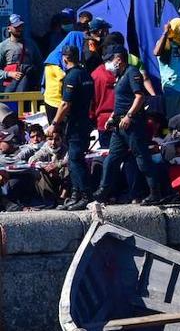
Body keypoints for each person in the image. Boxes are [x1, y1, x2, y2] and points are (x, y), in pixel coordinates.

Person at [93, 45, 162, 205]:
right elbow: (120, 101)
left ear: (118, 59)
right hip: (119, 125)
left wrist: (129, 116)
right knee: (112, 158)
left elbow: (140, 96)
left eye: (110, 60)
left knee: (142, 158)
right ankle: (104, 190)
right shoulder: (121, 75)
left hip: (132, 124)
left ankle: (154, 192)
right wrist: (112, 117)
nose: (108, 64)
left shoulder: (132, 72)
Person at [48, 44, 94, 211]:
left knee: (75, 160)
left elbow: (65, 103)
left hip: (75, 123)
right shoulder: (86, 74)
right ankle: (75, 195)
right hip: (84, 122)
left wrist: (54, 124)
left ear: (65, 58)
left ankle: (85, 195)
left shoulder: (72, 76)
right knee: (75, 159)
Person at [0, 14, 41, 93]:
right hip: (10, 88)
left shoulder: (31, 44)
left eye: (21, 26)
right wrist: (9, 74)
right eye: (16, 27)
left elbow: (40, 65)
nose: (19, 29)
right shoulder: (3, 46)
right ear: (9, 29)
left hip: (29, 87)